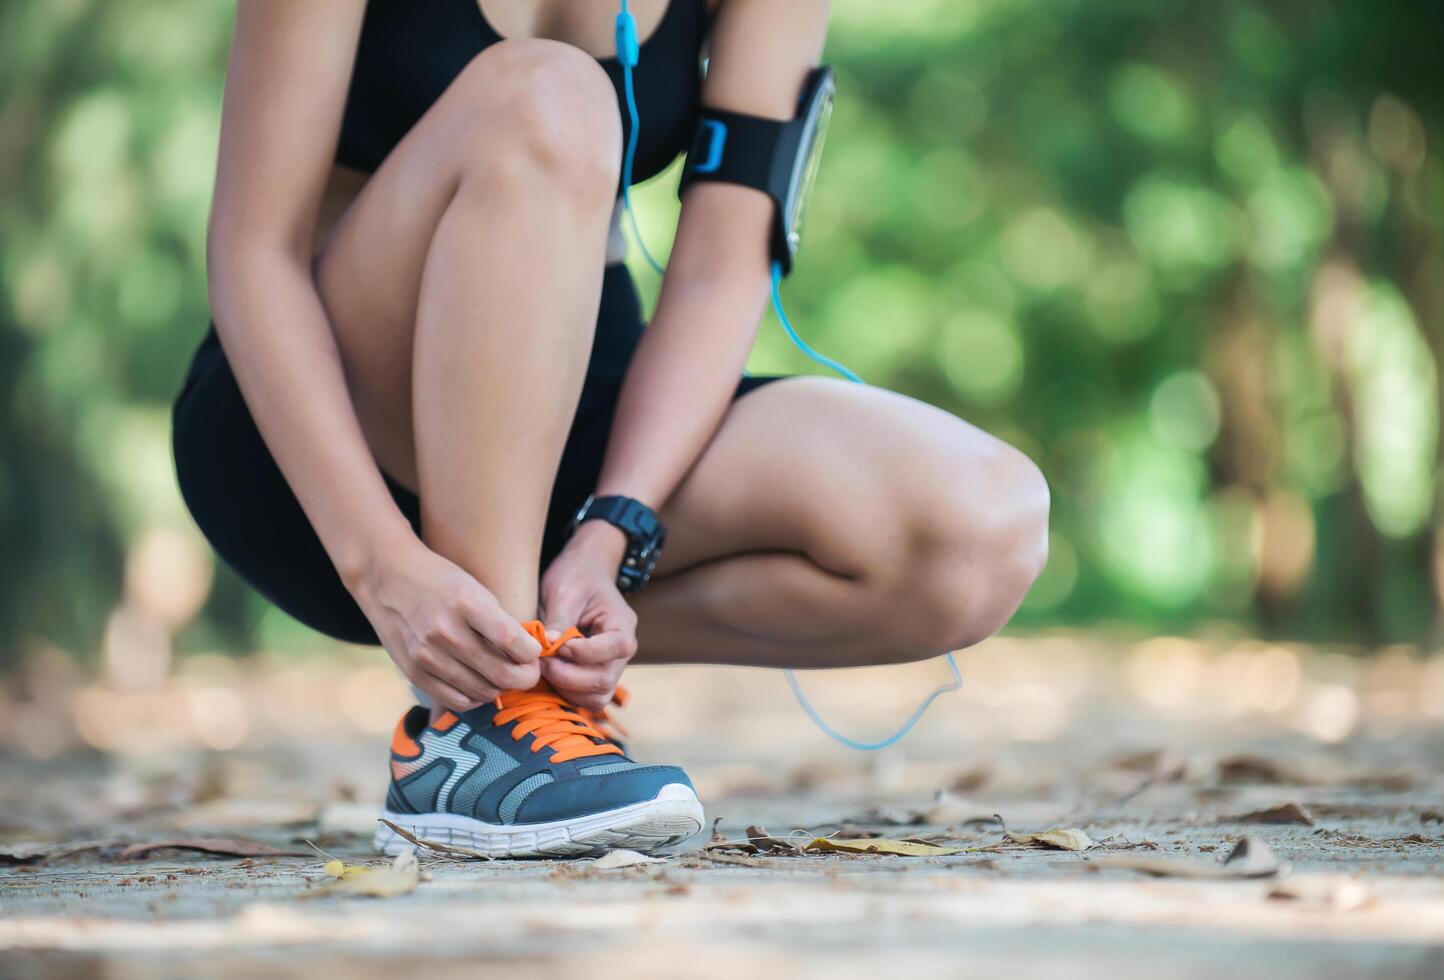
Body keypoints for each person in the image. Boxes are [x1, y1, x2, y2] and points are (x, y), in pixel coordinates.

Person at [171, 0, 1051, 858]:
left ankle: (520, 654)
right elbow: (253, 252)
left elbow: (719, 265)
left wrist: (614, 528)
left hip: (585, 397)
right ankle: (481, 725)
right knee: (552, 94)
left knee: (978, 531)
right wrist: (380, 562)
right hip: (318, 435)